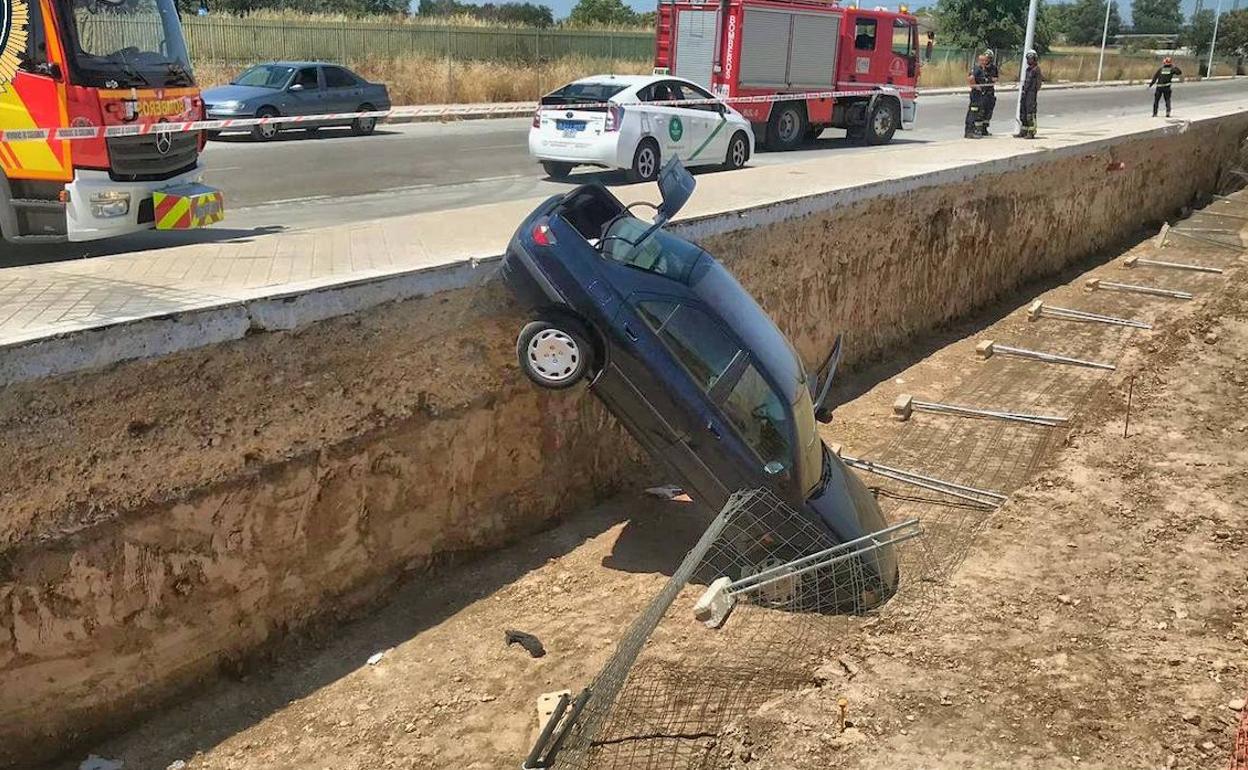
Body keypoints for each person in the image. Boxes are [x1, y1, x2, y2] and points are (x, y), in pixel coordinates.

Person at [1016, 50, 1042, 139]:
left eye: (1031, 59)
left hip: (1031, 93)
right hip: (1025, 92)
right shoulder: (1028, 69)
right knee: (1023, 112)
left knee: (1030, 113)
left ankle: (1031, 132)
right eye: (1028, 59)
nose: (1029, 60)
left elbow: (1038, 84)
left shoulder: (1036, 69)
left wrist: (1033, 91)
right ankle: (1023, 130)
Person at [964, 53, 991, 138]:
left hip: (978, 94)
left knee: (975, 112)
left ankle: (970, 131)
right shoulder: (977, 69)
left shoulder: (981, 69)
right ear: (979, 60)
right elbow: (971, 78)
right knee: (973, 112)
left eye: (985, 60)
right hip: (976, 94)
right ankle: (969, 132)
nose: (984, 62)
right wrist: (976, 86)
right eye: (983, 60)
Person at [980, 49, 999, 134]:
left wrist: (990, 79)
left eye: (989, 58)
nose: (987, 60)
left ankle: (984, 129)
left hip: (990, 92)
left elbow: (995, 78)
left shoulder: (993, 68)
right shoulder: (980, 67)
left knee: (989, 111)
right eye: (986, 57)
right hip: (982, 92)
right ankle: (978, 129)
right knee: (981, 111)